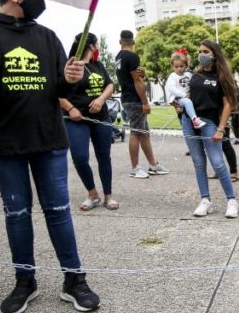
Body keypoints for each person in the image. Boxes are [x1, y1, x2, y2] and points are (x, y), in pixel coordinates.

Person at [0, 0, 99, 313]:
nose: (42, 0)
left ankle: (74, 280)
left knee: (58, 211)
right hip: (3, 144)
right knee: (17, 214)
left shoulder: (47, 37)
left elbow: (58, 88)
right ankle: (24, 281)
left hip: (48, 139)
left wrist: (70, 77)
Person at [59, 32, 117, 211]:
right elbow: (57, 92)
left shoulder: (98, 64)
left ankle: (108, 195)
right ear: (91, 45)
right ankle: (92, 193)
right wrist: (70, 108)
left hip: (101, 118)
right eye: (97, 44)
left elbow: (110, 85)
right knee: (80, 157)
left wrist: (100, 100)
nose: (98, 47)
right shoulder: (70, 66)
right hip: (76, 119)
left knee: (104, 157)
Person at [186, 40, 239, 219]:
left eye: (206, 51)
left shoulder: (222, 77)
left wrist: (221, 129)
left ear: (214, 54)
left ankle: (231, 200)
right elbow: (189, 97)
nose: (201, 54)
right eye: (199, 51)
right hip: (189, 123)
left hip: (209, 123)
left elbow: (228, 105)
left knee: (217, 162)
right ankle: (205, 200)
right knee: (199, 163)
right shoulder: (196, 76)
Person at [115, 30, 169, 179]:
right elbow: (137, 81)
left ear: (120, 42)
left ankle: (153, 164)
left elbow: (132, 76)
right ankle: (135, 168)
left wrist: (141, 75)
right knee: (136, 133)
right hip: (134, 99)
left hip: (127, 97)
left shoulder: (118, 57)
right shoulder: (132, 56)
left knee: (144, 133)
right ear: (133, 42)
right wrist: (145, 102)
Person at [165, 50, 206, 129]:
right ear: (172, 67)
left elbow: (193, 84)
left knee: (189, 102)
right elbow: (172, 88)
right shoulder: (172, 76)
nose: (179, 69)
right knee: (187, 102)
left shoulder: (188, 74)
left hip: (188, 96)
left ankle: (194, 119)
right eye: (176, 67)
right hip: (178, 98)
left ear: (186, 65)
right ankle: (195, 120)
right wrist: (184, 95)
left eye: (181, 66)